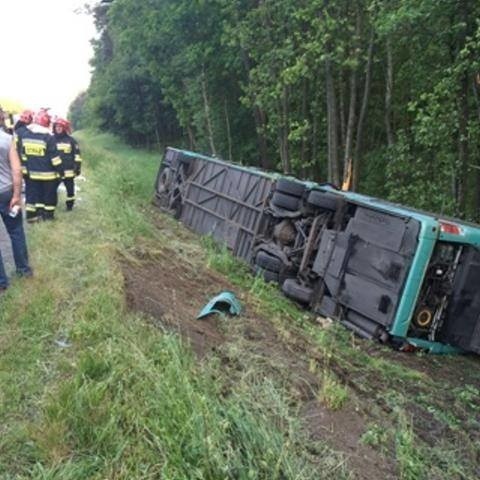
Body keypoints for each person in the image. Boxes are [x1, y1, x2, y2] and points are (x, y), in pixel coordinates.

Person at [0, 112, 33, 290]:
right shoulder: (7, 139)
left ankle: (1, 283)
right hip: (6, 193)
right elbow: (17, 170)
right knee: (16, 232)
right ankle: (23, 270)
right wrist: (17, 196)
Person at [17, 109, 63, 221]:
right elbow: (55, 158)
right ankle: (48, 216)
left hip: (32, 174)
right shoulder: (49, 138)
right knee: (49, 196)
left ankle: (32, 215)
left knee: (33, 195)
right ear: (47, 123)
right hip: (48, 175)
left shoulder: (26, 135)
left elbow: (22, 155)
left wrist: (24, 170)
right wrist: (60, 171)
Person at [53, 118, 82, 210]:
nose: (58, 128)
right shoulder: (51, 139)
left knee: (70, 190)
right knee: (52, 189)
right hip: (55, 170)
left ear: (64, 128)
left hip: (68, 170)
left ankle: (69, 206)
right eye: (57, 126)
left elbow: (77, 155)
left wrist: (77, 167)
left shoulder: (71, 141)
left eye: (60, 127)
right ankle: (52, 205)